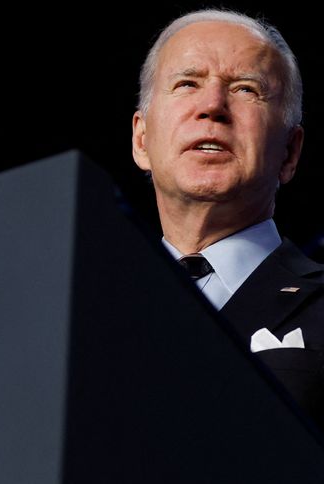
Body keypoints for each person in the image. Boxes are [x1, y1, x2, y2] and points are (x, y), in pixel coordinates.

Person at [130, 9, 324, 426]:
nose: (213, 106)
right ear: (142, 139)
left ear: (289, 152)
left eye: (245, 89)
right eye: (187, 84)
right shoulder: (87, 307)